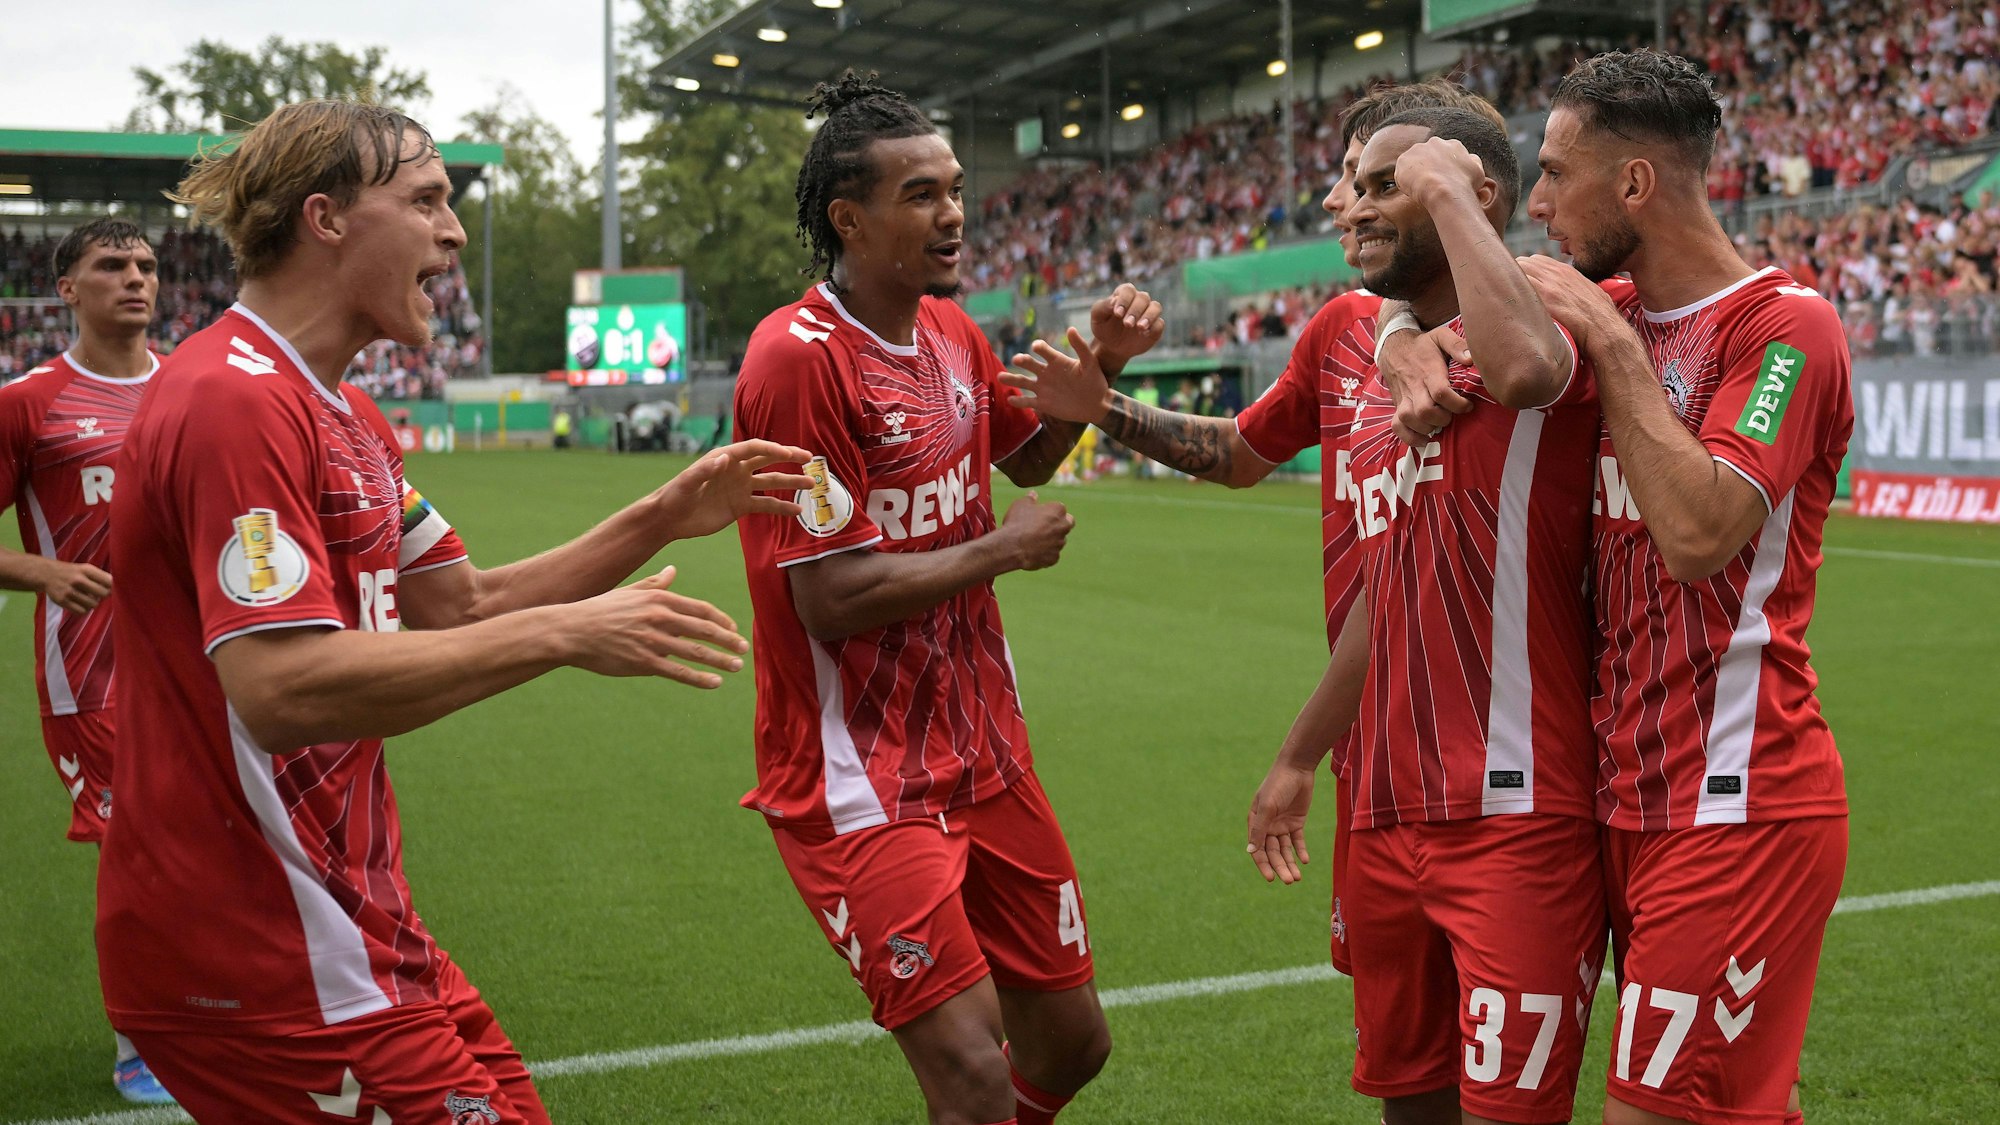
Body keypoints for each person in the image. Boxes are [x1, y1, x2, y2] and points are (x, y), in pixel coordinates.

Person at [97, 99, 814, 1123]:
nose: (454, 231)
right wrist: (568, 634)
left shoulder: (345, 414)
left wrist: (662, 515)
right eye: (426, 200)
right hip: (254, 949)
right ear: (327, 218)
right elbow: (279, 688)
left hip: (348, 922)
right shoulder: (233, 399)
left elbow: (462, 602)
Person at [1384, 49, 1854, 1125]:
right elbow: (1409, 320)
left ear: (1633, 185)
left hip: (1736, 796)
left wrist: (1608, 338)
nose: (1536, 202)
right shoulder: (1593, 309)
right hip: (1614, 802)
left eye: (1554, 174)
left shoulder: (1785, 329)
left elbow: (1696, 533)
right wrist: (1399, 333)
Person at [1003, 78, 1511, 987]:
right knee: (1402, 1067)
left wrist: (1293, 753)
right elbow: (1241, 453)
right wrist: (1104, 407)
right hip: (1375, 764)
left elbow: (1414, 572)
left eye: (1363, 178)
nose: (1335, 200)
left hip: (1506, 768)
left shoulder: (1519, 344)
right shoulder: (1350, 328)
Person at [732, 72, 1162, 1125]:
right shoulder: (796, 361)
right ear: (849, 218)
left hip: (985, 750)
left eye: (956, 189)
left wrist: (1098, 366)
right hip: (862, 778)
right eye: (921, 194)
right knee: (970, 1072)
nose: (954, 213)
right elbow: (829, 598)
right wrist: (1001, 558)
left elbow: (1023, 462)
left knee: (1071, 1041)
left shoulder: (951, 335)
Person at [0, 218, 175, 1105]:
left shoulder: (195, 389)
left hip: (204, 668)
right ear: (66, 288)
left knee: (226, 842)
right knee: (138, 856)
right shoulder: (27, 402)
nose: (135, 279)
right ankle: (139, 1040)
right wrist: (39, 570)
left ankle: (221, 1016)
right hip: (94, 676)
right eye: (111, 265)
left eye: (146, 265)